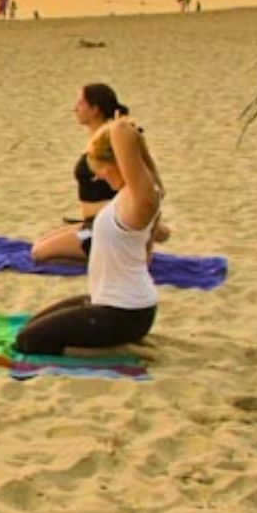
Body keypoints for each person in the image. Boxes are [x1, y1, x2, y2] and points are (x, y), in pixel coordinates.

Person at [15, 118, 164, 355]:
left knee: (29, 342)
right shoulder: (142, 191)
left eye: (102, 170)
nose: (100, 177)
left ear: (119, 164)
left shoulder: (141, 202)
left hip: (124, 312)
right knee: (28, 327)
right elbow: (140, 157)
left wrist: (119, 126)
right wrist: (136, 141)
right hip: (112, 302)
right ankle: (119, 340)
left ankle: (120, 350)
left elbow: (122, 134)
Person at [30, 84, 166, 263]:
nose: (75, 108)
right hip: (95, 223)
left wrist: (145, 219)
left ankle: (99, 255)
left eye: (81, 103)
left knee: (39, 252)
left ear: (95, 109)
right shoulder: (99, 139)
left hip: (106, 228)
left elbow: (144, 182)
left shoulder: (113, 142)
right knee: (39, 243)